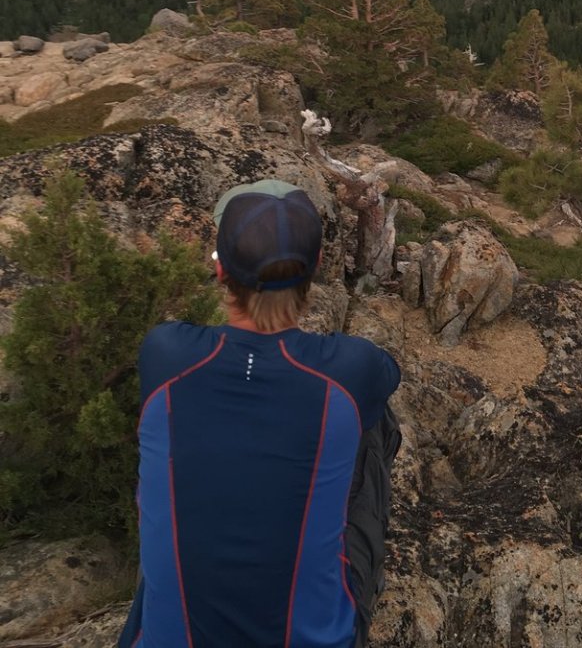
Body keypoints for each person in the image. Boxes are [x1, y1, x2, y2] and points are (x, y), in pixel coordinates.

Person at [118, 178, 401, 648]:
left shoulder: (164, 354)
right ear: (318, 268)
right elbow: (388, 376)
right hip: (314, 638)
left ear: (220, 272)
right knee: (373, 420)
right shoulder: (352, 369)